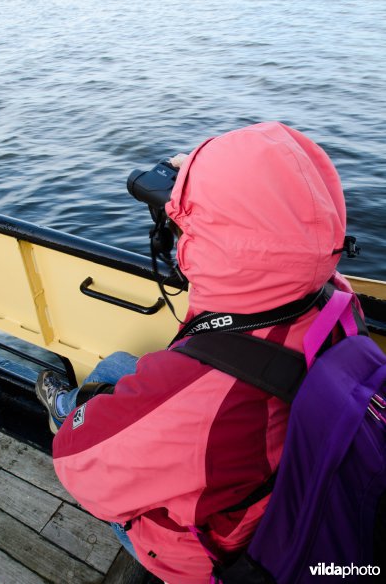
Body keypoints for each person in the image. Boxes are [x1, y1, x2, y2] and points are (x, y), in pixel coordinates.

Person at [36, 122, 355, 584]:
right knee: (123, 368)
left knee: (96, 399)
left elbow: (78, 474)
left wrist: (193, 217)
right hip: (294, 487)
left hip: (221, 554)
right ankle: (70, 405)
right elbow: (273, 242)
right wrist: (211, 189)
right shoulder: (334, 296)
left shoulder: (207, 399)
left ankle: (63, 408)